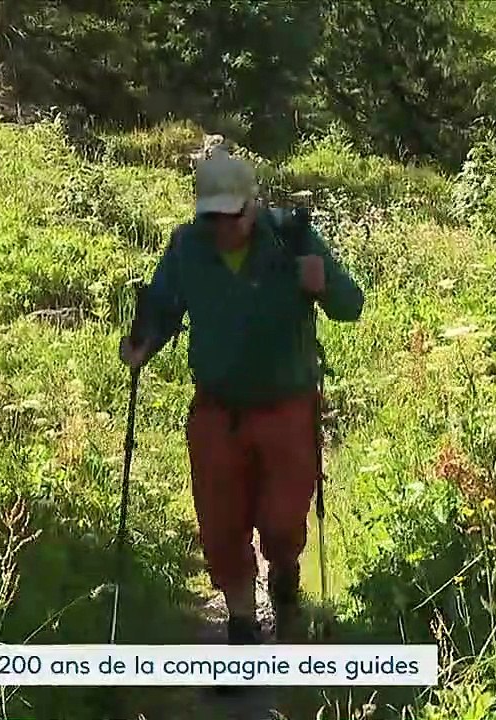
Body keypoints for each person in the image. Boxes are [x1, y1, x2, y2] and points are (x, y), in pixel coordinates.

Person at [118, 147, 364, 647]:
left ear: (251, 206)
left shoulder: (291, 237)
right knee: (220, 524)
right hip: (217, 409)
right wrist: (144, 340)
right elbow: (164, 303)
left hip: (287, 406)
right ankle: (242, 625)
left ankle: (285, 573)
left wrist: (323, 285)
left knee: (280, 519)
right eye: (213, 217)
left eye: (232, 216)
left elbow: (350, 303)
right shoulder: (188, 246)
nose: (224, 227)